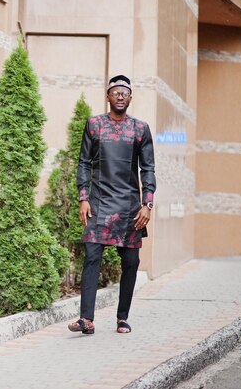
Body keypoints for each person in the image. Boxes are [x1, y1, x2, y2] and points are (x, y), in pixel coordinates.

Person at [67, 75, 156, 335]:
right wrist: (84, 197)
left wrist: (147, 204)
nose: (119, 96)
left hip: (130, 207)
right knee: (92, 256)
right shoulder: (94, 125)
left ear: (130, 98)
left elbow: (147, 168)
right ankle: (86, 319)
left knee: (131, 261)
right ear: (107, 96)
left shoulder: (140, 129)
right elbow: (84, 162)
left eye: (124, 93)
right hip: (98, 203)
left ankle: (122, 317)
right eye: (115, 92)